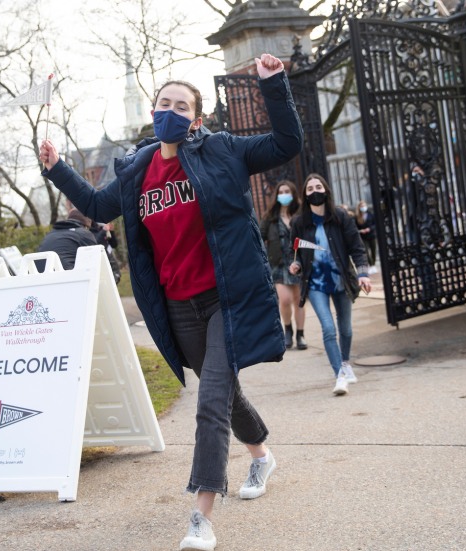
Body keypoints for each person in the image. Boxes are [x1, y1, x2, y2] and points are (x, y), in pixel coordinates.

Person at [39, 53, 302, 551]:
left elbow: (287, 143)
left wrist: (273, 85)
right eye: (165, 102)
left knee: (208, 403)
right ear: (153, 111)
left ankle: (201, 515)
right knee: (222, 393)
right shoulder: (137, 169)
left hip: (225, 297)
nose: (171, 111)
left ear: (196, 119)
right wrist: (58, 170)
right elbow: (97, 207)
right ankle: (262, 454)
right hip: (180, 307)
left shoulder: (223, 150)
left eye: (182, 106)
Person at [289, 173, 372, 396]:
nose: (314, 191)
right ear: (305, 195)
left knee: (345, 328)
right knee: (328, 328)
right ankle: (340, 375)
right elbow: (295, 250)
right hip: (315, 283)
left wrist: (363, 274)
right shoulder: (299, 222)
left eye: (318, 187)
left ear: (326, 190)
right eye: (309, 189)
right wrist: (296, 263)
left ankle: (345, 362)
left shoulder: (341, 217)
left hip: (341, 280)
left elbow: (357, 247)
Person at [260, 180, 308, 350]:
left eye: (287, 191)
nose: (284, 194)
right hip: (279, 264)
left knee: (299, 300)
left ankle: (300, 334)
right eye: (281, 192)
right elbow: (259, 238)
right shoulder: (270, 218)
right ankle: (288, 330)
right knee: (285, 300)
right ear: (277, 195)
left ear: (293, 193)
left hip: (298, 263)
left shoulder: (300, 215)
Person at [355, 199, 377, 269]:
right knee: (366, 251)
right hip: (363, 236)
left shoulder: (370, 214)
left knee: (373, 250)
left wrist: (370, 229)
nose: (363, 207)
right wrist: (361, 230)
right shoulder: (357, 217)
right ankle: (371, 265)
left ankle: (373, 263)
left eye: (364, 205)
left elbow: (375, 224)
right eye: (362, 206)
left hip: (371, 235)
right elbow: (355, 227)